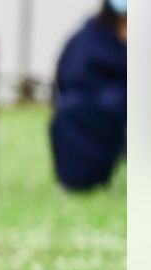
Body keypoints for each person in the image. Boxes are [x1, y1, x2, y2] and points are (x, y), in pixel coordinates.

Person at [50, 0, 126, 191]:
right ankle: (78, 179)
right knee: (71, 109)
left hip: (124, 97)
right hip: (89, 94)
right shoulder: (92, 32)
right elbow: (72, 71)